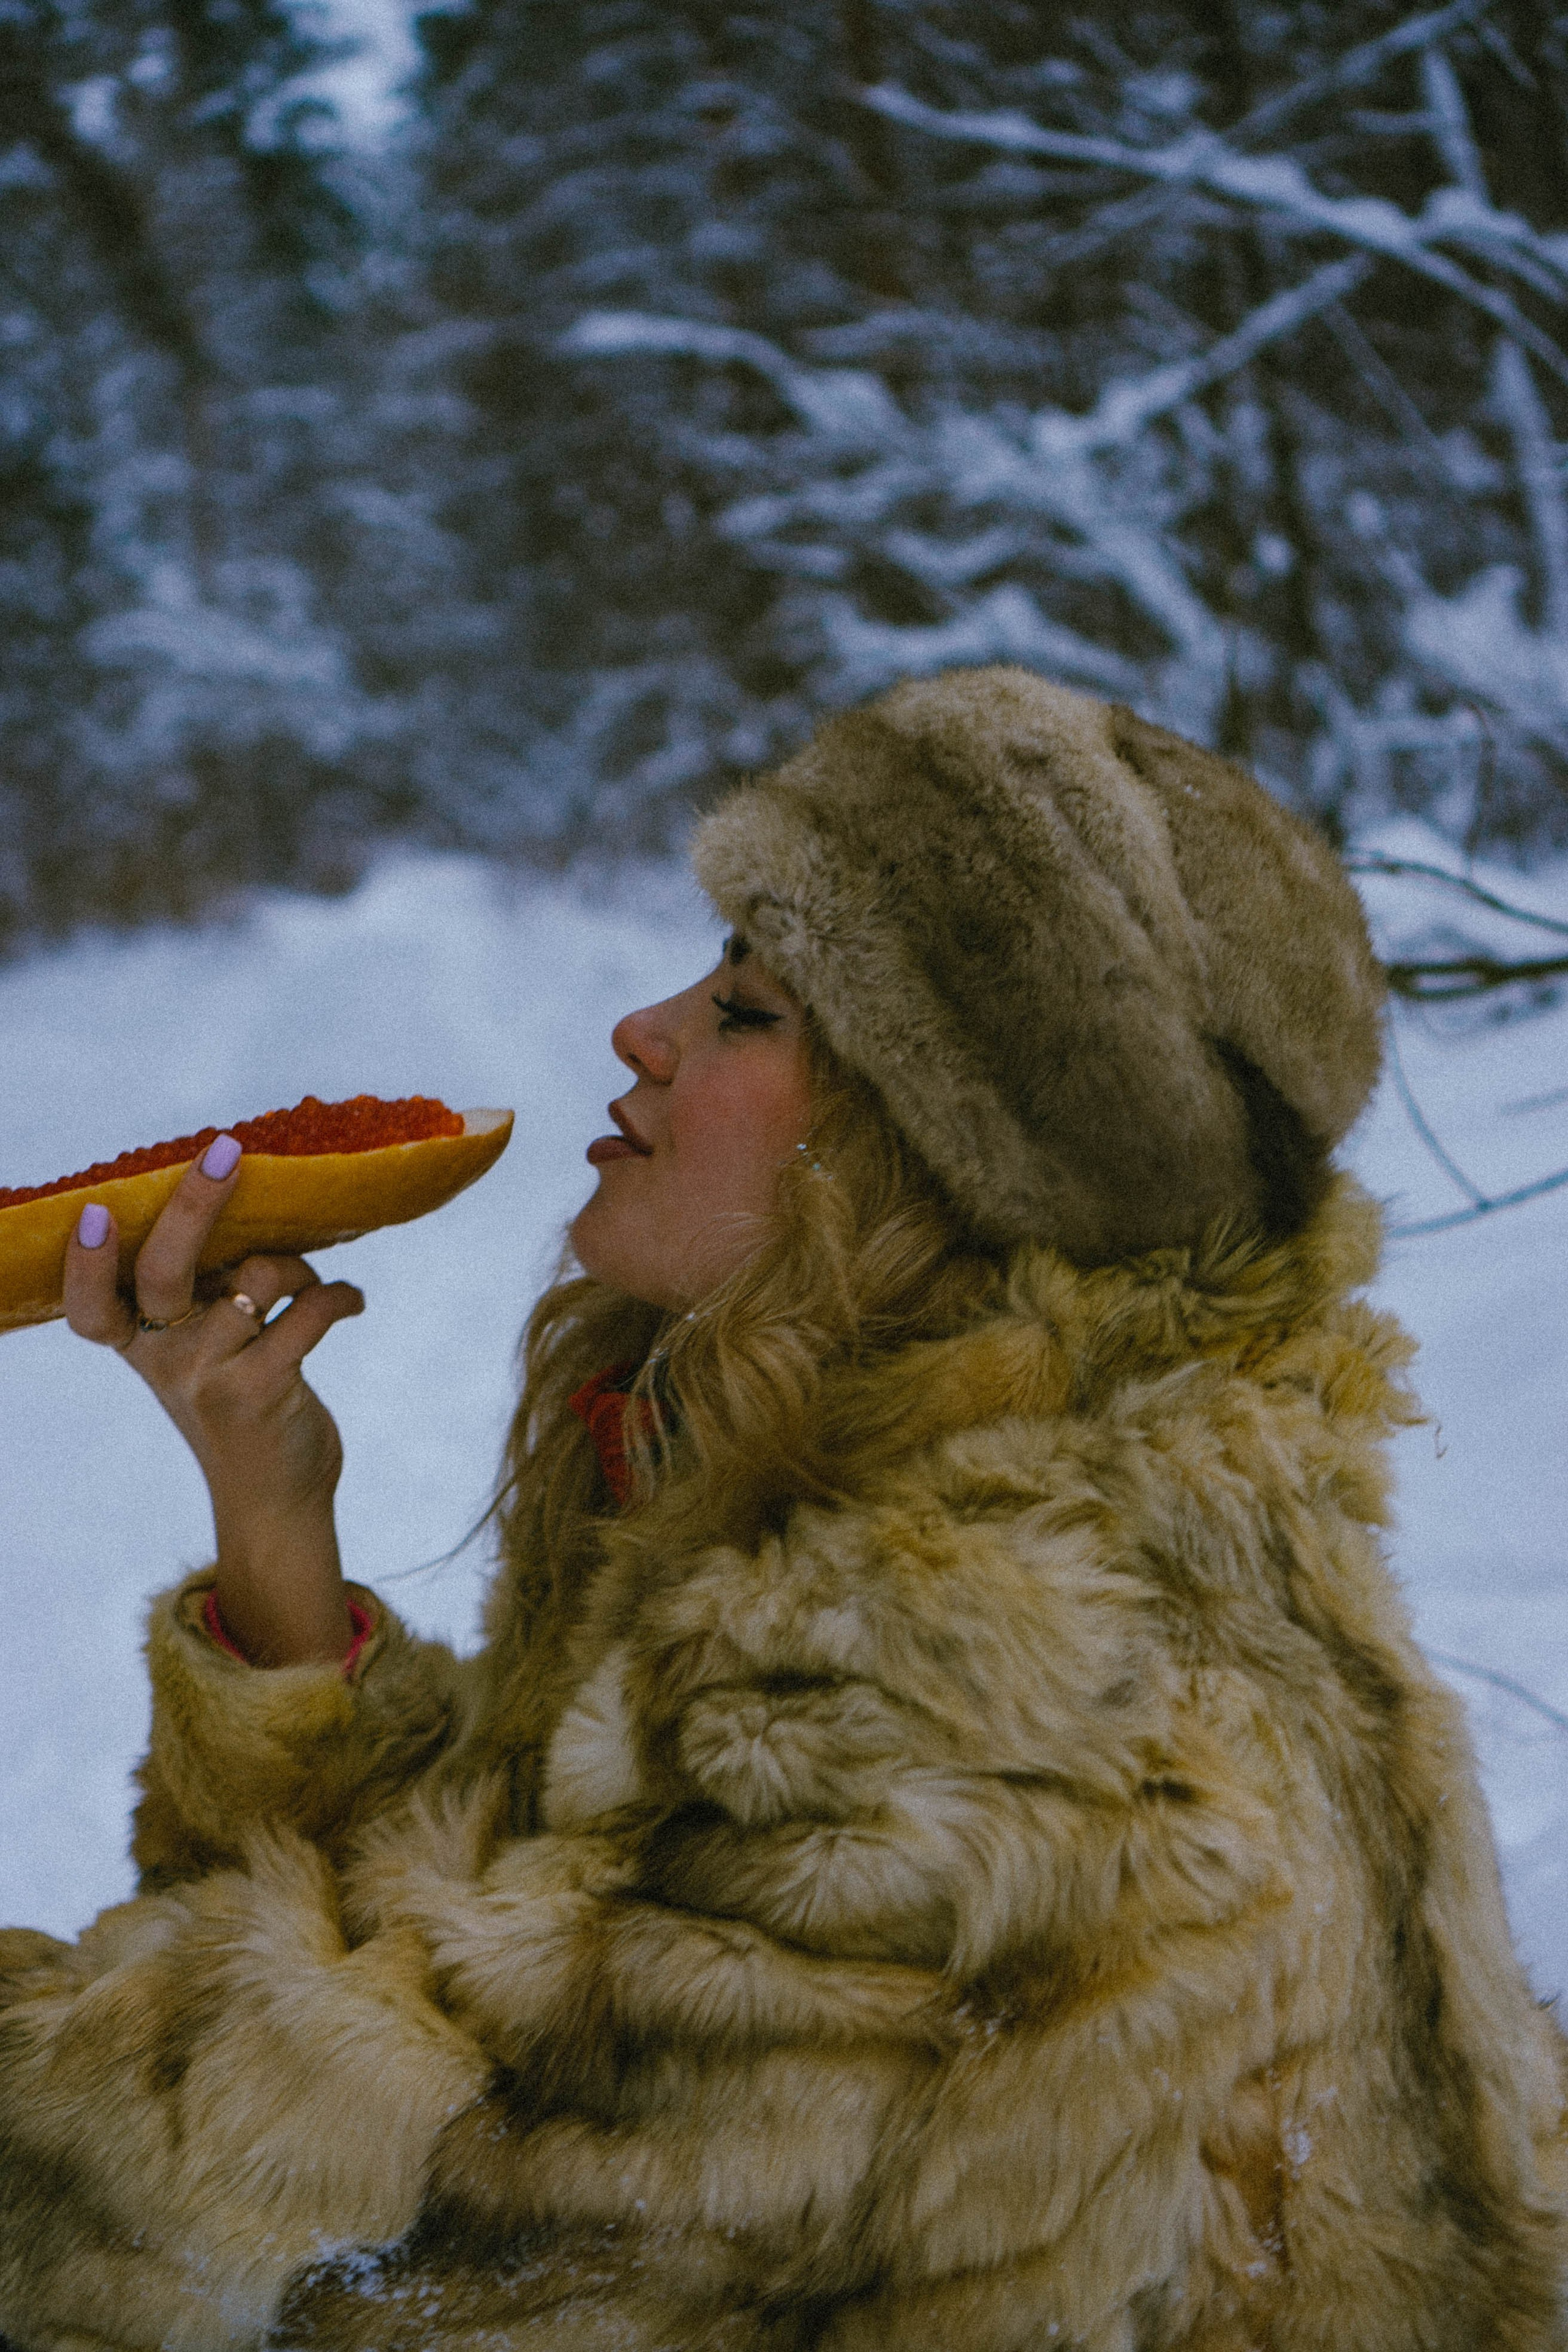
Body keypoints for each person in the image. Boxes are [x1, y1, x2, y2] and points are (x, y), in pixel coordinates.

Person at [0, 666, 1562, 2352]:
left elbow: (415, 2231)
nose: (645, 1029)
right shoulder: (922, 1502)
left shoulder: (974, 1667)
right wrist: (274, 1518)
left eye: (747, 1010)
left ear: (933, 1160)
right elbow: (530, 1970)